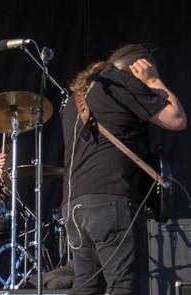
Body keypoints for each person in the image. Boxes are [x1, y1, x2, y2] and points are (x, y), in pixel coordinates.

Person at [61, 44, 186, 294]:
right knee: (123, 285)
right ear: (136, 67)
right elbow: (176, 118)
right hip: (110, 202)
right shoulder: (122, 83)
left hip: (74, 207)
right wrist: (153, 80)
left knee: (86, 286)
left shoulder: (77, 99)